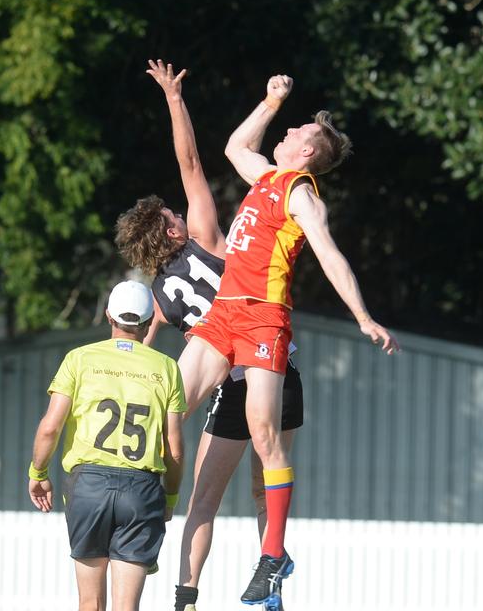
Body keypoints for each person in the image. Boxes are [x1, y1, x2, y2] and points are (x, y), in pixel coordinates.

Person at [175, 74, 399, 606]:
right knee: (169, 401)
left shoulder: (300, 194)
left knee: (262, 431)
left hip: (263, 320)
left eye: (294, 127)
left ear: (304, 150)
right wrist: (273, 101)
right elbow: (236, 146)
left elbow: (329, 254)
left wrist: (363, 315)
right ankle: (142, 491)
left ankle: (273, 554)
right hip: (224, 314)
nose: (287, 129)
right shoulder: (268, 175)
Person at [114, 60, 305, 611]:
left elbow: (145, 349)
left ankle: (185, 597)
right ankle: (271, 579)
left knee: (203, 498)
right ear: (172, 228)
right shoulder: (202, 236)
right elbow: (191, 159)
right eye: (173, 212)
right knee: (260, 480)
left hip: (230, 367)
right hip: (266, 357)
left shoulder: (159, 297)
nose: (181, 210)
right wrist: (174, 98)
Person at [29, 280, 187, 611]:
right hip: (141, 490)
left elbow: (49, 428)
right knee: (126, 606)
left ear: (108, 316)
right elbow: (174, 448)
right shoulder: (167, 369)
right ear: (147, 325)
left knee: (90, 602)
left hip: (88, 486)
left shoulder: (79, 359)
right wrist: (169, 498)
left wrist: (38, 471)